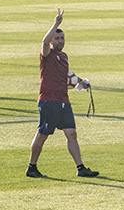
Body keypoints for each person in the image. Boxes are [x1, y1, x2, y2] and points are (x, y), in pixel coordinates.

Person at [26, 9, 99, 179]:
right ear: (52, 40)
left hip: (63, 101)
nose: (60, 41)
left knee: (71, 134)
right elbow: (44, 42)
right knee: (42, 134)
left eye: (62, 38)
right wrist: (56, 24)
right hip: (49, 101)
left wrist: (81, 83)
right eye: (57, 38)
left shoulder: (64, 57)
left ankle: (80, 168)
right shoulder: (47, 54)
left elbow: (67, 77)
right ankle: (32, 167)